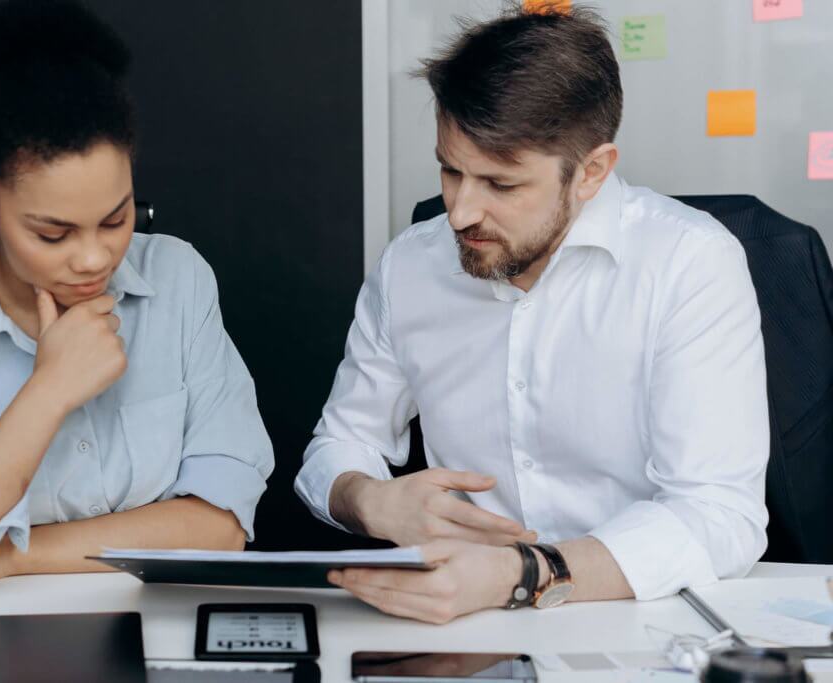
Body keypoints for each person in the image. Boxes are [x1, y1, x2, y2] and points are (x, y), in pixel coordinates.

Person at [295, 4, 769, 624]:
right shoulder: (410, 265)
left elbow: (719, 514)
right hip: (461, 622)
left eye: (501, 184)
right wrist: (369, 500)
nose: (460, 212)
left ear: (591, 172)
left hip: (646, 622)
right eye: (450, 170)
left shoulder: (690, 263)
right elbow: (339, 443)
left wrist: (520, 574)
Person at [0, 0, 273, 612]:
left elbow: (221, 527)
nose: (95, 258)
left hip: (156, 625)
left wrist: (6, 556)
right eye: (54, 234)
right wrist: (48, 392)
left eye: (116, 219)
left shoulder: (178, 279)